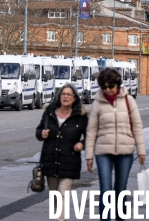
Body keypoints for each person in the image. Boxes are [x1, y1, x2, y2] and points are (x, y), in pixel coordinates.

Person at [86, 68, 145, 220]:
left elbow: (137, 125)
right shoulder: (97, 102)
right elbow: (91, 130)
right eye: (104, 87)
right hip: (103, 151)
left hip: (125, 151)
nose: (108, 90)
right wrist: (89, 156)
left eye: (110, 86)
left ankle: (120, 217)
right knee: (105, 189)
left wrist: (141, 150)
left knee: (121, 188)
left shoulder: (128, 100)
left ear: (117, 85)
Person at [35, 83, 88, 221]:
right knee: (54, 195)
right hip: (50, 160)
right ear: (59, 97)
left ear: (75, 98)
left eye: (69, 94)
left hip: (69, 161)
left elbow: (91, 137)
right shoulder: (49, 113)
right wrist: (42, 134)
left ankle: (61, 219)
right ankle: (59, 217)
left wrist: (81, 144)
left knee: (63, 193)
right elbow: (38, 131)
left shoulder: (80, 116)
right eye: (63, 94)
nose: (65, 96)